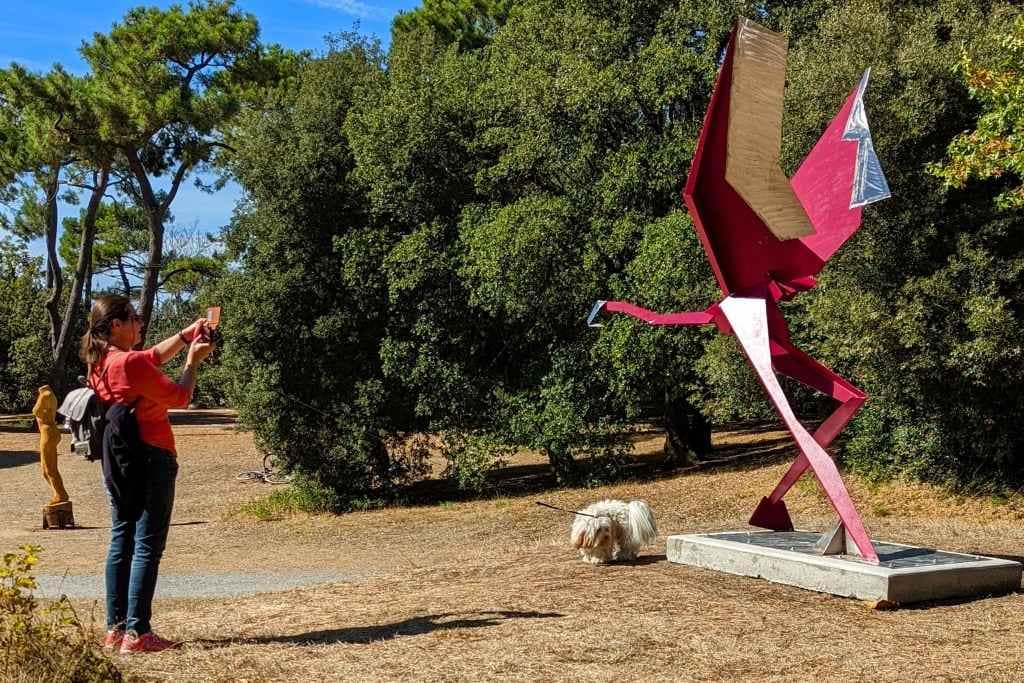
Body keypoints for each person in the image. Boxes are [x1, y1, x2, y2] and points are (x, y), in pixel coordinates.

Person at [79, 295, 215, 654]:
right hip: (151, 457)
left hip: (118, 460)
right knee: (147, 546)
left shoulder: (99, 361)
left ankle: (116, 630)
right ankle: (138, 633)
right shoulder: (130, 363)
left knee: (121, 540)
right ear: (116, 325)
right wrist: (192, 361)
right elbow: (180, 397)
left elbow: (151, 356)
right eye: (134, 317)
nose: (140, 322)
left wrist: (185, 335)